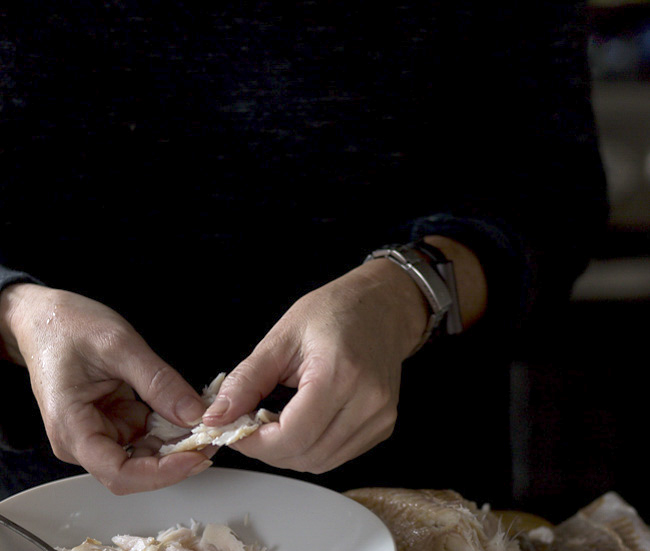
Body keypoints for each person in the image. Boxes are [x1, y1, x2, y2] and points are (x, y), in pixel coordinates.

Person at [0, 2, 608, 505]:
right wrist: (18, 313)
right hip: (47, 522)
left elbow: (551, 196)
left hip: (405, 517)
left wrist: (405, 294)